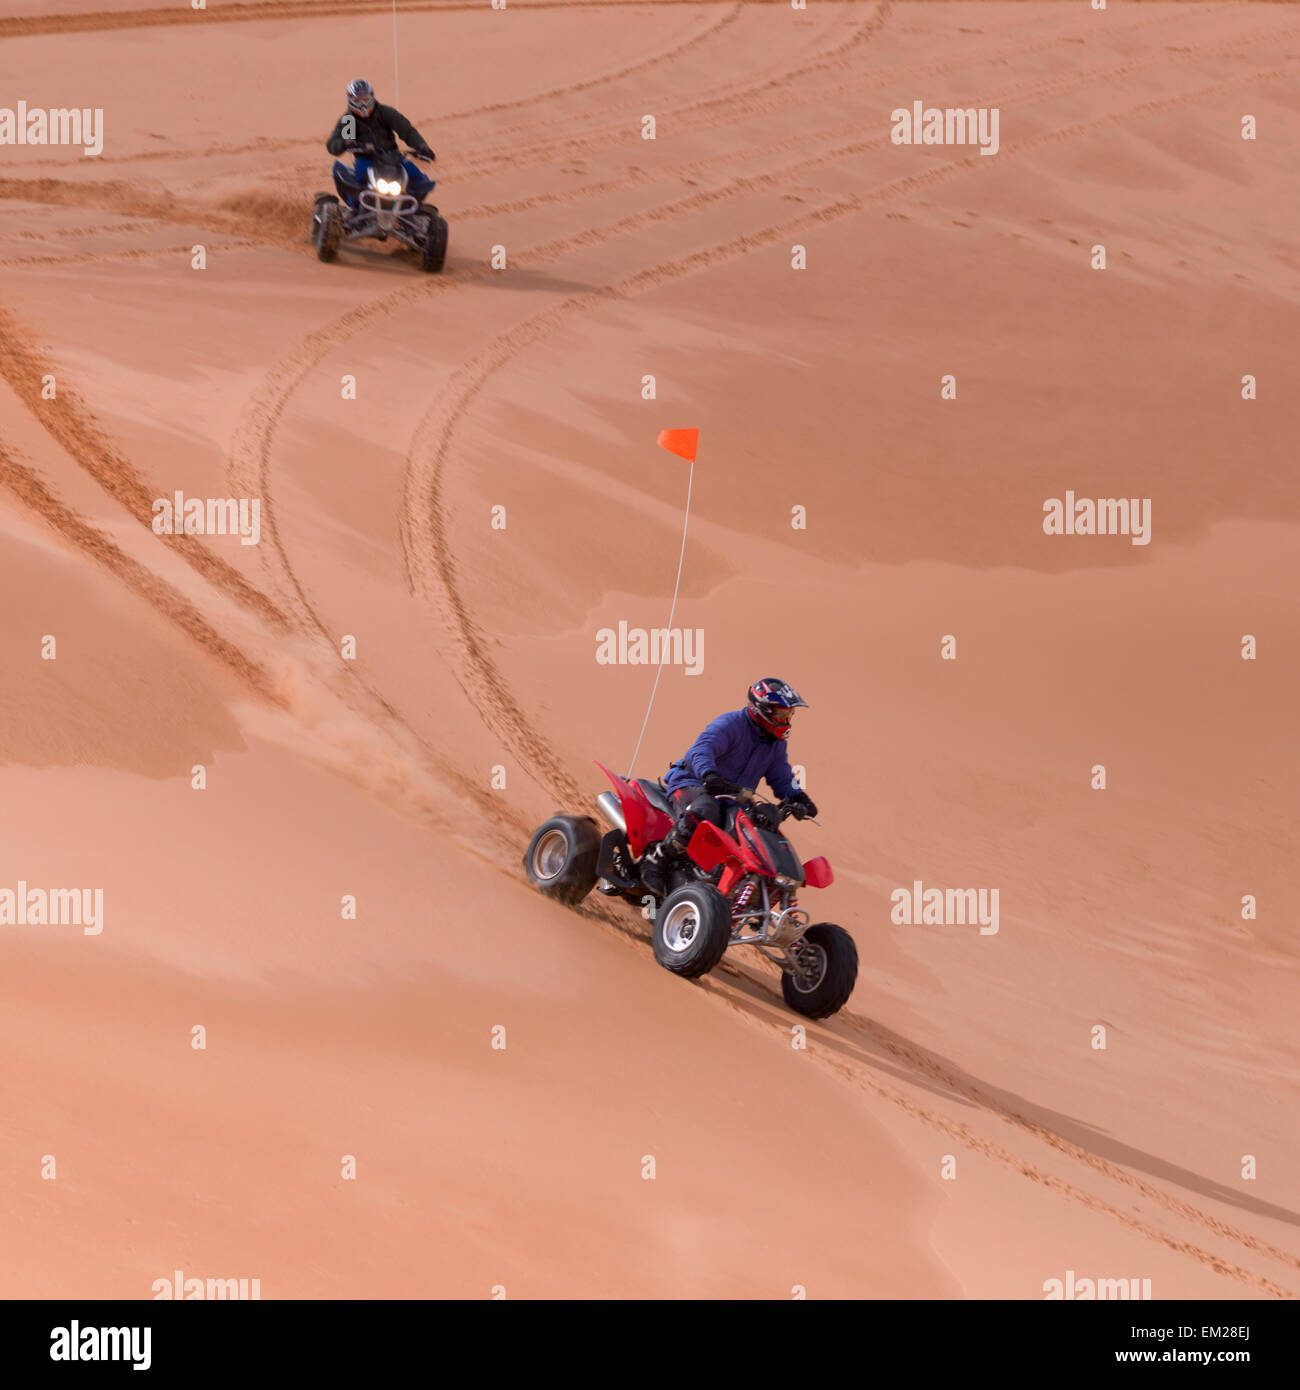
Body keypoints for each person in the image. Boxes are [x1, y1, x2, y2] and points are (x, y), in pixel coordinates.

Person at [640, 678, 819, 895]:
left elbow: (781, 775)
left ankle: (720, 885)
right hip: (693, 783)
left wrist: (798, 797)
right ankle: (657, 859)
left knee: (755, 828)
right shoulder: (731, 724)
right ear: (762, 710)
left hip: (732, 798)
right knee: (706, 809)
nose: (787, 720)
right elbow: (702, 749)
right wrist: (709, 774)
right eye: (782, 715)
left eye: (789, 715)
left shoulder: (775, 743)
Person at [326, 78, 435, 208]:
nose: (362, 104)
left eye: (365, 99)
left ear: (372, 96)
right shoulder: (349, 121)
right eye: (357, 101)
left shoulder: (385, 112)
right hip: (366, 159)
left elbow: (407, 131)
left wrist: (422, 146)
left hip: (393, 157)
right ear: (350, 101)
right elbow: (333, 144)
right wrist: (345, 144)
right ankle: (352, 212)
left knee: (419, 178)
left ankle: (415, 209)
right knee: (357, 184)